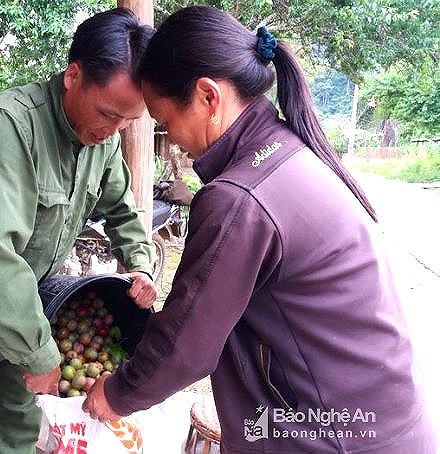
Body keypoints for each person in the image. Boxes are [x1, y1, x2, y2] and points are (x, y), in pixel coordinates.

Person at [83, 6, 436, 453]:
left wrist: (116, 394)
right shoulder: (288, 150)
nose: (172, 140)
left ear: (209, 96)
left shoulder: (239, 198)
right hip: (381, 424)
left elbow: (186, 343)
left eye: (168, 124)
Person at [0, 8, 157, 453]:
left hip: (25, 317)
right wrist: (42, 355)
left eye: (127, 120)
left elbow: (121, 207)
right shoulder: (10, 124)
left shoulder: (101, 142)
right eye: (107, 113)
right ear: (73, 75)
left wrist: (139, 263)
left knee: (16, 435)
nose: (112, 129)